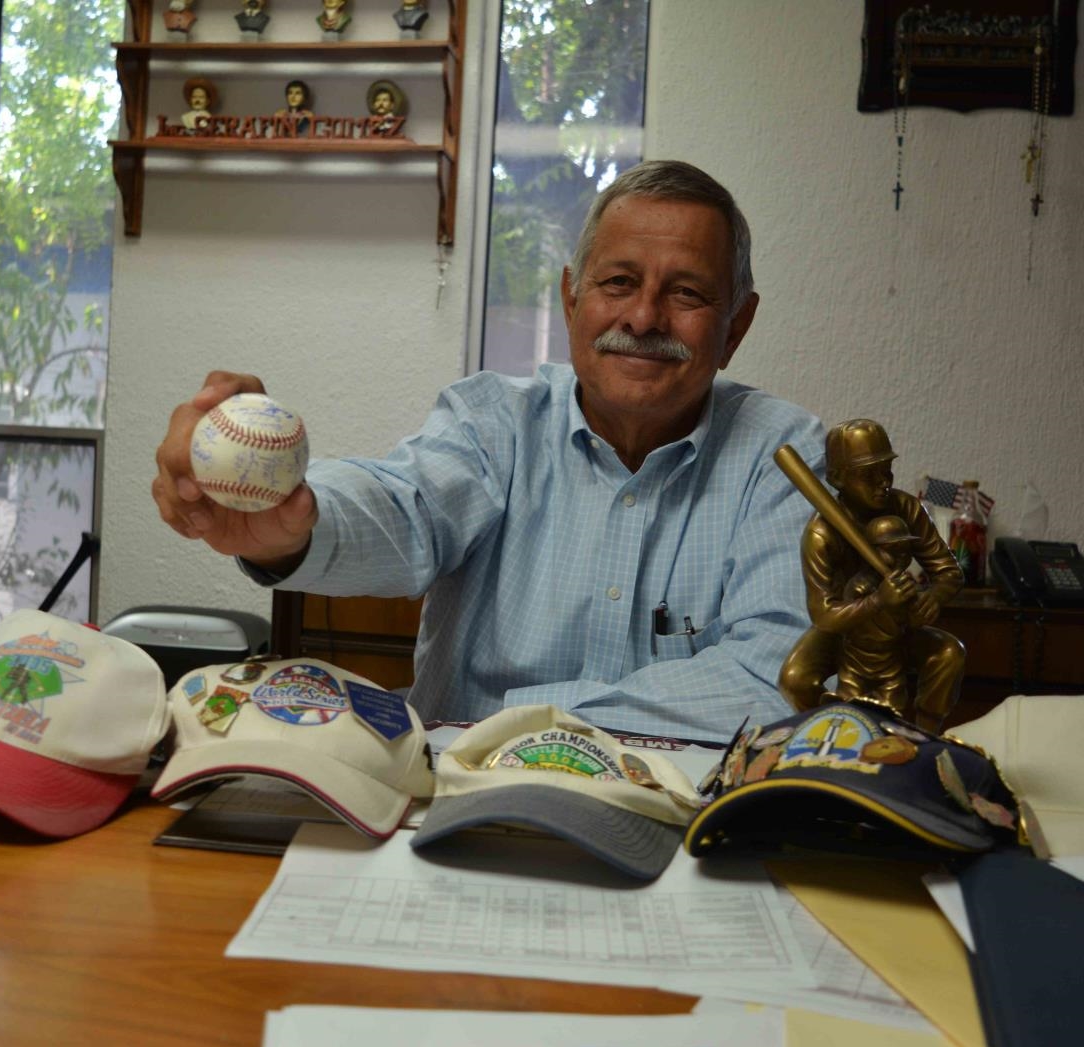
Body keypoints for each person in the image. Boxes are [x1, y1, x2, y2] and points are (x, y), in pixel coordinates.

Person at [152, 160, 826, 742]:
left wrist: (524, 719)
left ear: (735, 327)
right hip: (465, 796)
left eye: (686, 293)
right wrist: (291, 523)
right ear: (571, 300)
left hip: (679, 816)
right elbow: (402, 505)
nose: (644, 317)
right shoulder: (492, 422)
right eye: (618, 282)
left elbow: (769, 680)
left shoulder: (784, 457)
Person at [778, 419, 964, 733]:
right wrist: (877, 601)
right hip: (844, 629)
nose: (883, 483)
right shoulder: (822, 532)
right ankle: (833, 735)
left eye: (886, 470)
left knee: (949, 653)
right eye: (868, 475)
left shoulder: (906, 508)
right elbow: (824, 615)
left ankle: (924, 737)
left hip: (898, 622)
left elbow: (948, 571)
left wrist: (933, 598)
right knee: (794, 679)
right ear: (837, 478)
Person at [833, 516, 920, 711]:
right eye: (893, 551)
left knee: (892, 719)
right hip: (856, 667)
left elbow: (910, 623)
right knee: (849, 717)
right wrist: (880, 599)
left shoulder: (905, 584)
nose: (901, 558)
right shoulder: (858, 586)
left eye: (905, 551)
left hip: (891, 667)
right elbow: (846, 622)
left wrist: (919, 608)